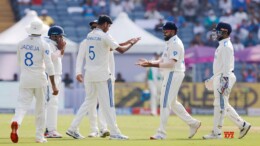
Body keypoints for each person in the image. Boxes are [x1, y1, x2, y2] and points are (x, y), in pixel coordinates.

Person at [66, 15, 140, 140]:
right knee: (107, 104)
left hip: (89, 74)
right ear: (105, 24)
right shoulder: (105, 36)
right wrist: (132, 43)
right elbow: (121, 50)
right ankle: (115, 132)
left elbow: (110, 46)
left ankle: (72, 128)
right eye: (109, 26)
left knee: (88, 102)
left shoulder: (89, 37)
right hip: (102, 75)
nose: (109, 28)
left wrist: (126, 42)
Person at [136, 22, 201, 140]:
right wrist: (149, 62)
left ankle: (161, 133)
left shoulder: (175, 43)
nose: (163, 32)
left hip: (173, 73)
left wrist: (151, 64)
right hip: (171, 73)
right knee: (172, 103)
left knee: (164, 102)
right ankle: (193, 123)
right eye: (163, 30)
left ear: (172, 31)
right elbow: (162, 60)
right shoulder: (169, 43)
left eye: (165, 30)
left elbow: (171, 63)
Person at [10, 20, 58, 143]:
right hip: (39, 79)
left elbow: (19, 62)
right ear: (41, 31)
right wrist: (54, 85)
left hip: (25, 78)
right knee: (41, 108)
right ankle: (39, 136)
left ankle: (17, 122)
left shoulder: (20, 43)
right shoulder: (44, 44)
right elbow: (49, 66)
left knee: (21, 105)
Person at [203, 22, 251, 139]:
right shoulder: (222, 45)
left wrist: (223, 82)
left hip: (225, 77)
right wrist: (213, 78)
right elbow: (221, 66)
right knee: (223, 105)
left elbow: (225, 68)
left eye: (218, 31)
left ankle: (216, 133)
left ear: (225, 32)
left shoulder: (225, 46)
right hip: (221, 76)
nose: (216, 33)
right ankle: (243, 125)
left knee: (220, 105)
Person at [44, 26, 66, 138]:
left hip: (55, 75)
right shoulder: (48, 43)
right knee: (52, 104)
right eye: (60, 36)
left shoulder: (53, 44)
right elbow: (51, 58)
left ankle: (48, 129)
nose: (62, 38)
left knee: (50, 103)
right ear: (55, 36)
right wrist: (60, 49)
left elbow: (59, 56)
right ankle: (50, 130)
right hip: (50, 76)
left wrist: (61, 48)